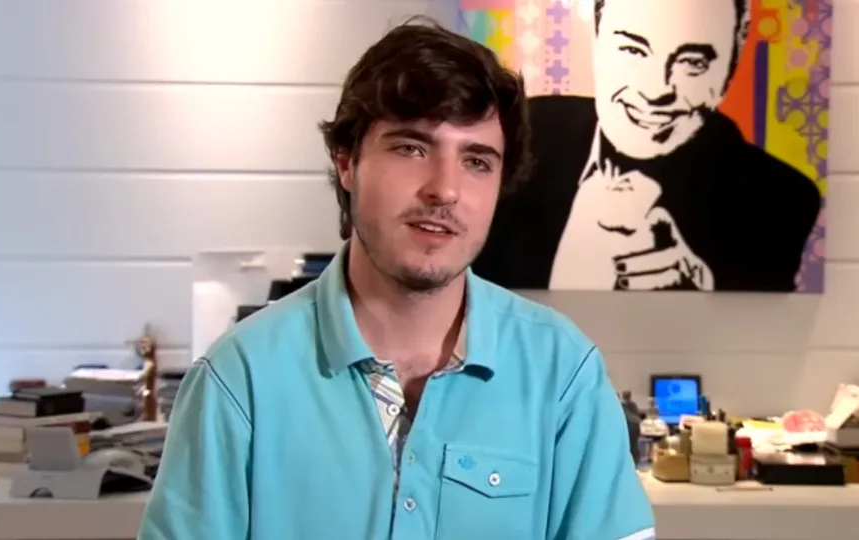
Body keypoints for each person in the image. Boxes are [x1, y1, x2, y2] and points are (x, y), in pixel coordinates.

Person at [138, 18, 654, 540]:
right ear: (347, 163)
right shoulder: (239, 380)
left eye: (476, 161)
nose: (445, 190)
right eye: (411, 148)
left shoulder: (563, 373)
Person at [472, 0, 822, 292]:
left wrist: (705, 296)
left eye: (693, 63)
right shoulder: (516, 133)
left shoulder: (780, 200)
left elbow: (760, 337)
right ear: (596, 41)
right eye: (633, 50)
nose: (656, 91)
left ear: (730, 68)